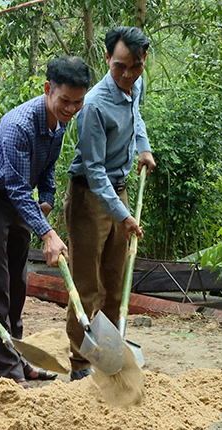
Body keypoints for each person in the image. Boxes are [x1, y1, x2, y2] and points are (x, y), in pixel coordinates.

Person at [0, 56, 91, 387]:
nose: (71, 109)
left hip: (22, 203)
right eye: (65, 101)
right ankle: (9, 373)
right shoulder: (19, 125)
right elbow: (13, 186)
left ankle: (20, 359)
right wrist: (48, 233)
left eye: (77, 102)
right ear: (47, 89)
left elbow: (48, 167)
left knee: (18, 286)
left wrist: (48, 199)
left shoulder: (59, 121)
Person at [65, 26, 157, 381]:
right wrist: (124, 216)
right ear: (107, 59)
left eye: (134, 66)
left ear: (143, 60)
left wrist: (143, 148)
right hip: (90, 195)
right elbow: (94, 169)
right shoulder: (94, 105)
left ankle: (108, 351)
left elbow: (137, 121)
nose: (127, 75)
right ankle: (79, 362)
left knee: (116, 280)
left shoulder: (136, 86)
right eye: (119, 67)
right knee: (87, 284)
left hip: (119, 191)